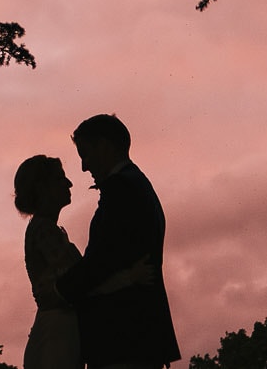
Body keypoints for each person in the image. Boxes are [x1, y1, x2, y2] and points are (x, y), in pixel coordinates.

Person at [52, 114, 180, 369]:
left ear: (105, 146)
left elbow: (103, 259)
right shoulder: (137, 184)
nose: (84, 167)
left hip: (123, 337)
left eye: (85, 155)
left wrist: (61, 289)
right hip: (138, 337)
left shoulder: (122, 190)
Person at [14, 154, 154, 369]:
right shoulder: (44, 231)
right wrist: (128, 278)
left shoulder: (45, 230)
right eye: (60, 178)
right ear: (42, 188)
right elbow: (78, 283)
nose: (69, 183)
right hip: (58, 334)